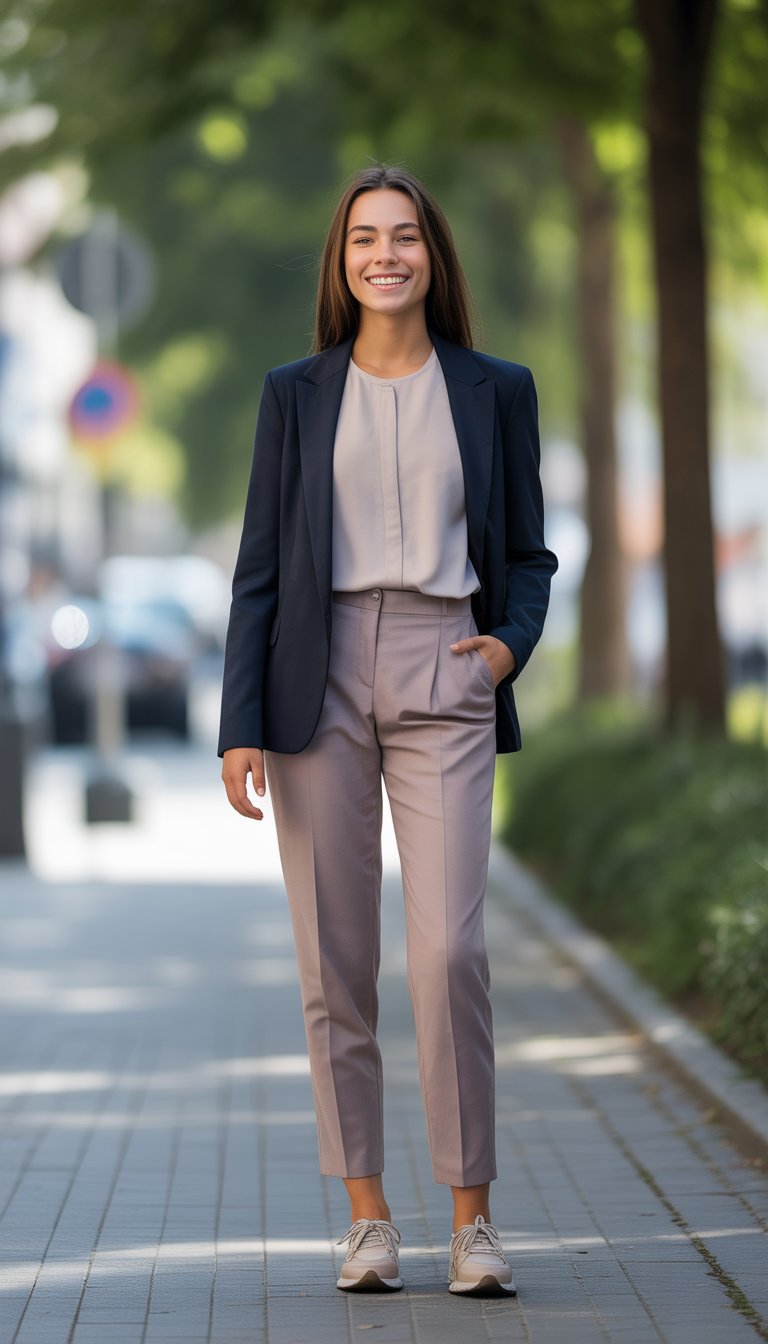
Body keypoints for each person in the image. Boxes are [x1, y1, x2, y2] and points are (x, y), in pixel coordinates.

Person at [219, 163, 558, 1297]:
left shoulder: (496, 388)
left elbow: (528, 554)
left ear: (431, 256)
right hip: (314, 680)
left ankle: (473, 1221)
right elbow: (260, 570)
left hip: (447, 662)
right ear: (342, 260)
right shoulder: (296, 394)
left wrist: (508, 643)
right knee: (337, 964)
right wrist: (239, 725)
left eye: (403, 236)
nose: (384, 255)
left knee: (450, 950)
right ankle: (368, 1217)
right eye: (364, 238)